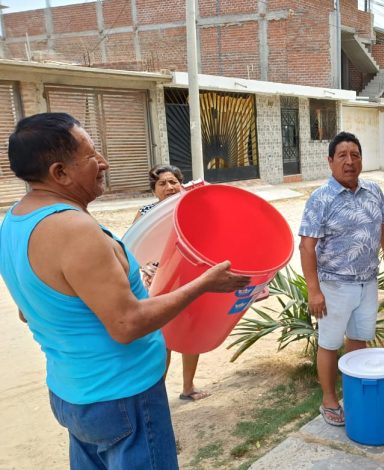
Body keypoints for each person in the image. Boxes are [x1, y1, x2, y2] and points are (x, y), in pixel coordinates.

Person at [0, 112, 251, 469]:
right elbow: (127, 325)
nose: (103, 163)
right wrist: (205, 283)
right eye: (91, 156)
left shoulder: (14, 221)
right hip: (121, 397)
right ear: (60, 173)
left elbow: (32, 310)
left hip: (72, 394)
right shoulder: (75, 230)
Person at [298, 131, 384, 426]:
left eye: (355, 155)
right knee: (329, 343)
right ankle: (328, 400)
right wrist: (314, 291)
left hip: (367, 282)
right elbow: (306, 246)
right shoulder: (321, 199)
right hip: (334, 287)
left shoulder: (373, 190)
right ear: (330, 161)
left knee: (359, 340)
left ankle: (351, 394)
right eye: (342, 155)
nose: (349, 161)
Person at [133, 164, 210, 402]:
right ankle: (158, 394)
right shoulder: (146, 213)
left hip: (190, 277)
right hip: (160, 282)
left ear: (181, 184)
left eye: (173, 182)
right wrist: (145, 267)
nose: (169, 187)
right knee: (162, 337)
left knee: (191, 331)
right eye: (162, 184)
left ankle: (188, 387)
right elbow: (134, 247)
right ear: (154, 189)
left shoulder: (193, 206)